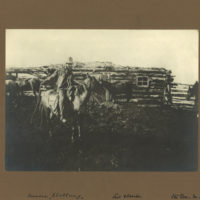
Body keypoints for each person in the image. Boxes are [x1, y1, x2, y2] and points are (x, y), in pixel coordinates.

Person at [41, 57, 74, 123]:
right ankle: (62, 116)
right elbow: (52, 77)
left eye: (71, 64)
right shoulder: (60, 71)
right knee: (62, 99)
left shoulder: (71, 73)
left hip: (69, 89)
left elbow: (71, 81)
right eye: (68, 64)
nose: (70, 65)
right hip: (61, 89)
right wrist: (44, 81)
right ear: (66, 64)